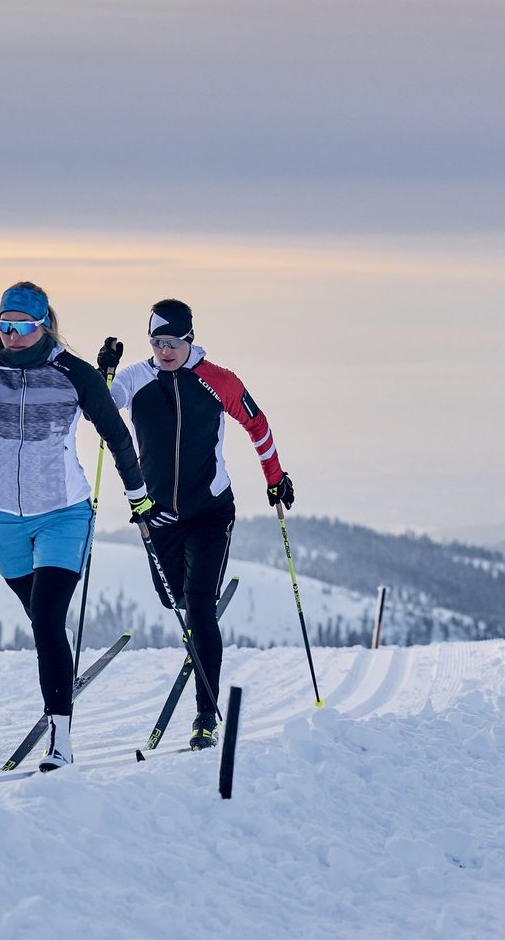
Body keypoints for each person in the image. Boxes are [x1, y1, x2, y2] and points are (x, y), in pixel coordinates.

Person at [0, 281, 157, 771]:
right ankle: (60, 676)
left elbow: (116, 434)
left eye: (22, 326)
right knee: (40, 619)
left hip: (65, 513)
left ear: (43, 324)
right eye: (3, 324)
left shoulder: (73, 374)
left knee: (47, 619)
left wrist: (138, 497)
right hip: (2, 517)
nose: (11, 335)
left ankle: (61, 738)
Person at [104, 298, 294, 749]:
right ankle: (195, 624)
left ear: (189, 339)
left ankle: (204, 716)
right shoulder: (136, 378)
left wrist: (275, 478)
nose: (164, 351)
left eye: (172, 342)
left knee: (198, 604)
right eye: (156, 342)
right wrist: (103, 375)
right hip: (158, 518)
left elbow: (257, 423)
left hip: (210, 511)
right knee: (173, 599)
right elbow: (98, 410)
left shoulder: (217, 380)